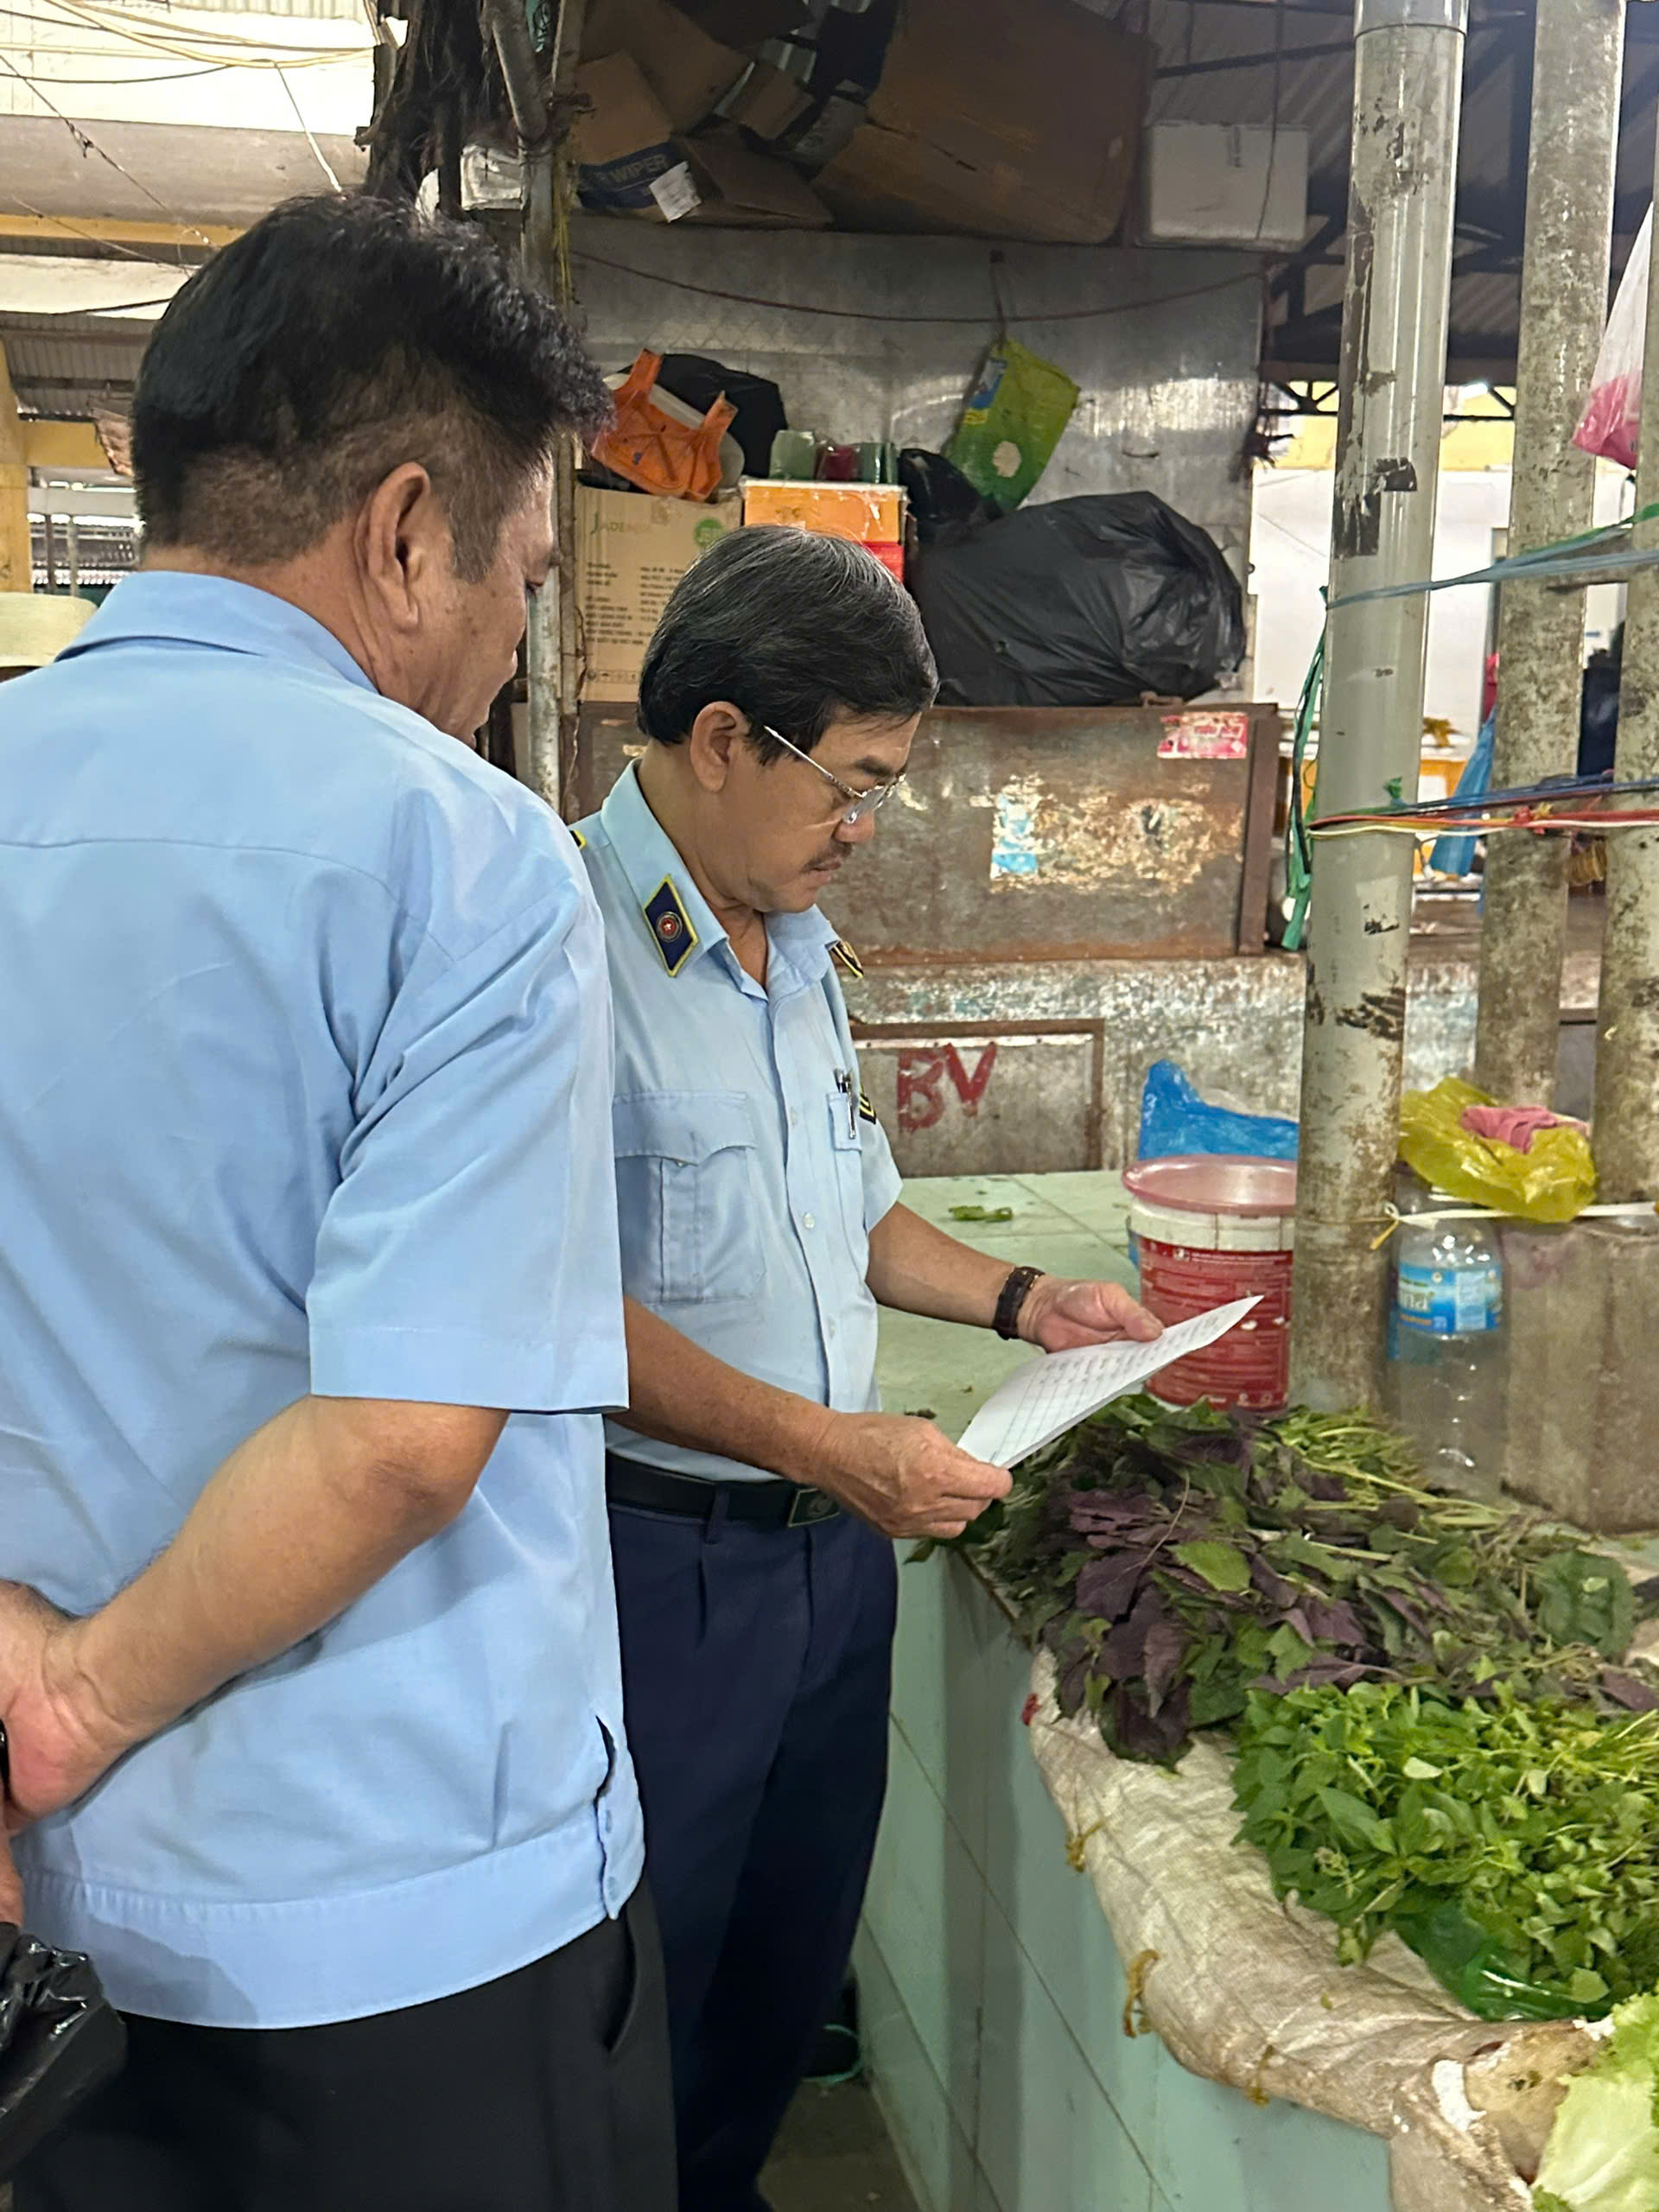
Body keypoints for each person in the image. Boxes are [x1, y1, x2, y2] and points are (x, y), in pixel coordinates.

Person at [0, 193, 674, 2212]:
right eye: (524, 574)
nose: (515, 640)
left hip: (49, 1928)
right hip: (394, 1941)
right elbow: (395, 1440)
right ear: (401, 533)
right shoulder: (460, 854)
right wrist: (74, 1696)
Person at [575, 524, 1162, 2212]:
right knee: (646, 1976)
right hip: (656, 1571)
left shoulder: (796, 936)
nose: (866, 826)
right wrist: (829, 1447)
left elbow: (858, 1210)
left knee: (789, 1945)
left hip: (831, 1562)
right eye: (854, 782)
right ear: (723, 739)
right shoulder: (560, 941)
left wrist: (1027, 1299)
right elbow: (554, 1303)